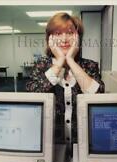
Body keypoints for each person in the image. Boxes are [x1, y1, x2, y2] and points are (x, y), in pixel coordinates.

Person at [26, 12, 105, 145]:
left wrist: (70, 61)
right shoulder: (41, 65)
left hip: (83, 143)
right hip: (51, 144)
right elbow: (33, 97)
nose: (64, 39)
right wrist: (60, 62)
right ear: (49, 38)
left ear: (78, 37)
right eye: (58, 33)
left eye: (69, 32)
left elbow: (98, 97)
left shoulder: (90, 66)